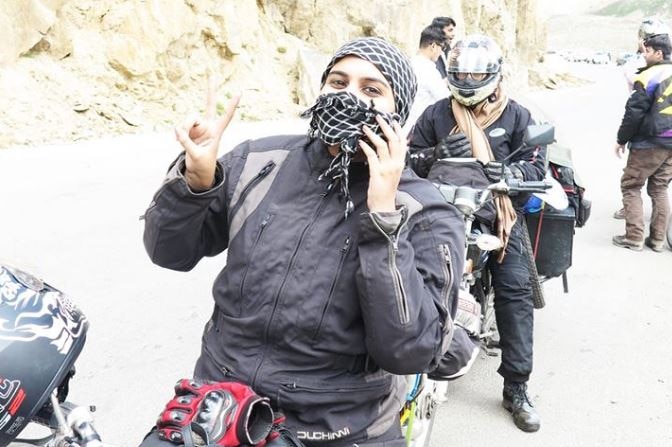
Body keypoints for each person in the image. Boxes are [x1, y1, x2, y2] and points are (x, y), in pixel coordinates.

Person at [140, 36, 465, 447]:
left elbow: (409, 351)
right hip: (222, 404)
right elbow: (169, 252)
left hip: (339, 427)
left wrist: (383, 218)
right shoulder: (259, 162)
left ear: (397, 111)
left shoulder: (425, 212)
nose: (348, 96)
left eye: (371, 90)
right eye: (338, 81)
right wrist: (195, 182)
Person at [408, 34, 546, 433]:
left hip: (496, 212)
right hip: (438, 210)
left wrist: (512, 174)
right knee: (396, 267)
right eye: (460, 73)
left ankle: (517, 387)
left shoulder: (517, 116)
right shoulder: (435, 114)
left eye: (475, 73)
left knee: (516, 289)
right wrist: (434, 156)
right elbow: (408, 160)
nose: (467, 80)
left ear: (492, 74)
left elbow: (536, 168)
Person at [612, 33, 672, 252]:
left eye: (647, 51)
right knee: (660, 188)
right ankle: (657, 240)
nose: (644, 55)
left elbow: (634, 112)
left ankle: (634, 237)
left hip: (649, 141)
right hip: (671, 145)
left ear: (659, 53)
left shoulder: (649, 76)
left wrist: (621, 139)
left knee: (631, 185)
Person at [405, 25, 451, 133]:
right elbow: (446, 99)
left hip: (405, 126)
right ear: (433, 46)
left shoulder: (410, 63)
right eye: (442, 48)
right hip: (417, 128)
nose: (441, 53)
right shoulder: (428, 70)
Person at [430, 16, 457, 80]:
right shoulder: (432, 55)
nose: (453, 34)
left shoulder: (447, 49)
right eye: (450, 30)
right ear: (439, 32)